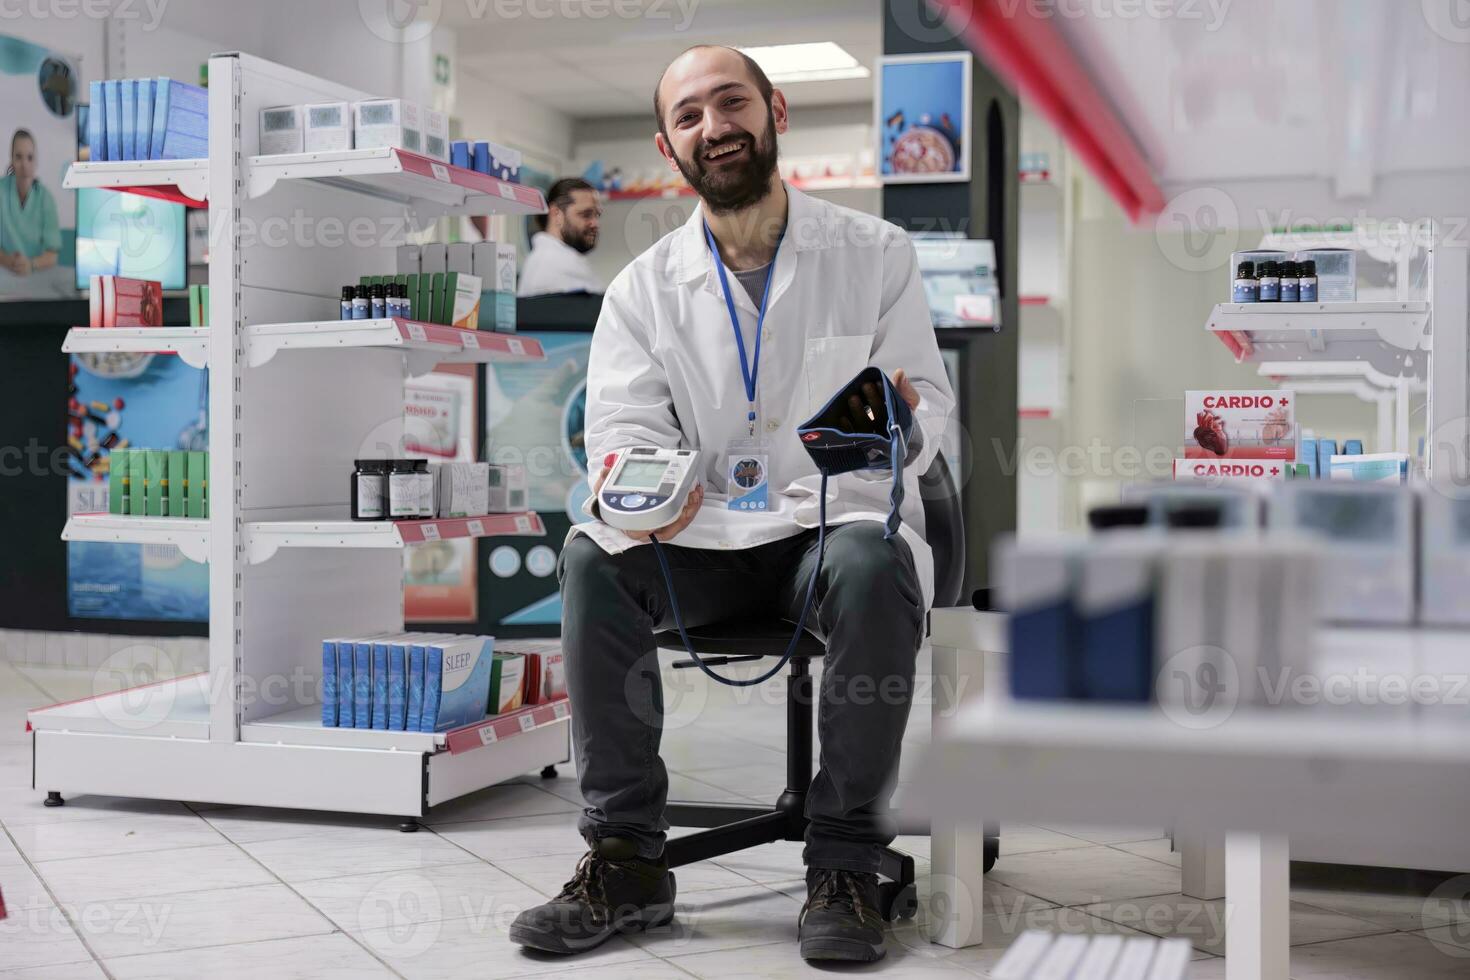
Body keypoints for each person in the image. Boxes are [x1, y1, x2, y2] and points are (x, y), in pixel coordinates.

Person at [510, 45, 954, 963]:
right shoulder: (640, 290)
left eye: (731, 102)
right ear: (668, 145)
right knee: (592, 555)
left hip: (823, 534)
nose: (714, 127)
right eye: (689, 116)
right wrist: (643, 491)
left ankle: (845, 861)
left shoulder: (875, 254)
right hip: (697, 538)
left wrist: (899, 428)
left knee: (872, 561)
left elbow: (927, 408)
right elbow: (622, 433)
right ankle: (626, 858)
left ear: (775, 111)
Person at [516, 177, 604, 296]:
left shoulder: (562, 259)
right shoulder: (551, 264)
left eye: (597, 215)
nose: (595, 224)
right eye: (586, 214)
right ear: (556, 214)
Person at [0, 129, 61, 278]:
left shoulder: (46, 199)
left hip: (37, 276)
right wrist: (9, 261)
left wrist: (31, 264)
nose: (24, 164)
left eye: (30, 157)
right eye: (18, 157)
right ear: (11, 160)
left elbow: (52, 255)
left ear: (36, 161)